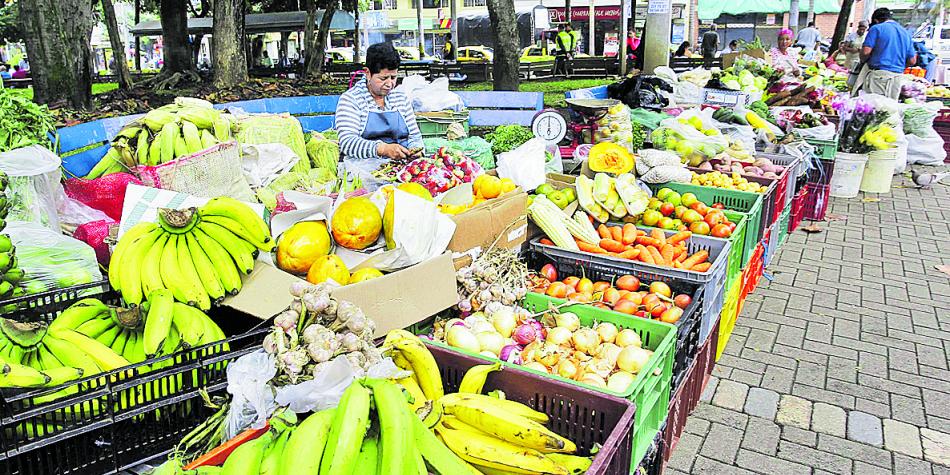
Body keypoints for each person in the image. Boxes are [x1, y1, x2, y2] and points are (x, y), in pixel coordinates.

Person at [335, 42, 423, 162]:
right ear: (367, 73)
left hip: (401, 165)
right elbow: (347, 143)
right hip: (363, 167)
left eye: (393, 77)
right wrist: (383, 149)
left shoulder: (400, 98)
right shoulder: (351, 100)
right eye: (383, 78)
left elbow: (414, 135)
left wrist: (416, 150)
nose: (389, 84)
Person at [858, 8, 917, 99]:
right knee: (889, 106)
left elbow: (866, 52)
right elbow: (912, 61)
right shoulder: (905, 33)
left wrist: (862, 59)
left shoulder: (876, 28)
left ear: (876, 20)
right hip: (897, 78)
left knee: (874, 105)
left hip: (879, 77)